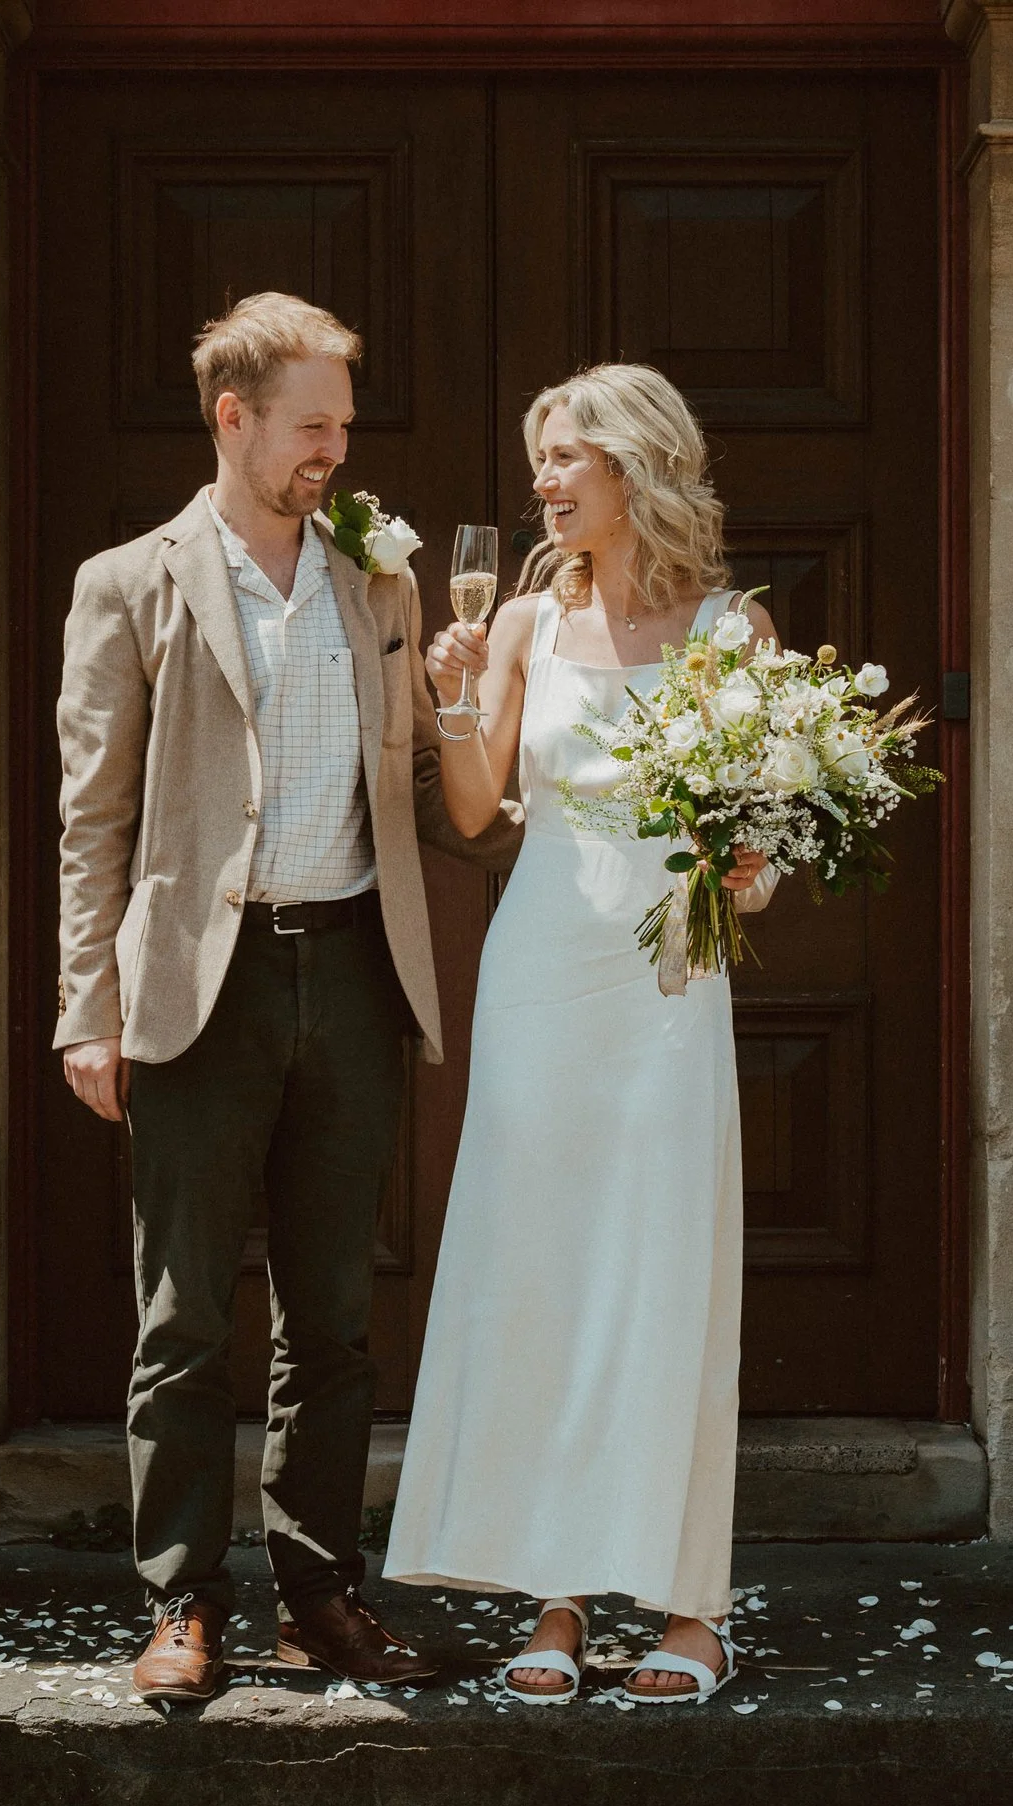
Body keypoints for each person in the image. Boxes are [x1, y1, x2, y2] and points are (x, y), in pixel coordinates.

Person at [53, 292, 518, 1704]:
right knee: (187, 1313)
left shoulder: (380, 581)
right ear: (234, 417)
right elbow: (96, 817)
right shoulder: (129, 582)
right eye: (313, 424)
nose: (336, 449)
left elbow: (432, 805)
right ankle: (181, 1601)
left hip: (356, 970)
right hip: (205, 979)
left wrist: (520, 778)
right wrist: (89, 1004)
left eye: (345, 426)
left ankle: (321, 1594)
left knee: (333, 1319)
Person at [383, 362, 772, 1704]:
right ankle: (553, 1599)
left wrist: (753, 870)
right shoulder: (526, 629)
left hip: (667, 979)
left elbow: (757, 832)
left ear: (637, 466)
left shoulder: (732, 629)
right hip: (542, 962)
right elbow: (484, 809)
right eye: (539, 459)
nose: (545, 481)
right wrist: (447, 692)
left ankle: (690, 1607)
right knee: (542, 1268)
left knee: (666, 1274)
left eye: (567, 459)